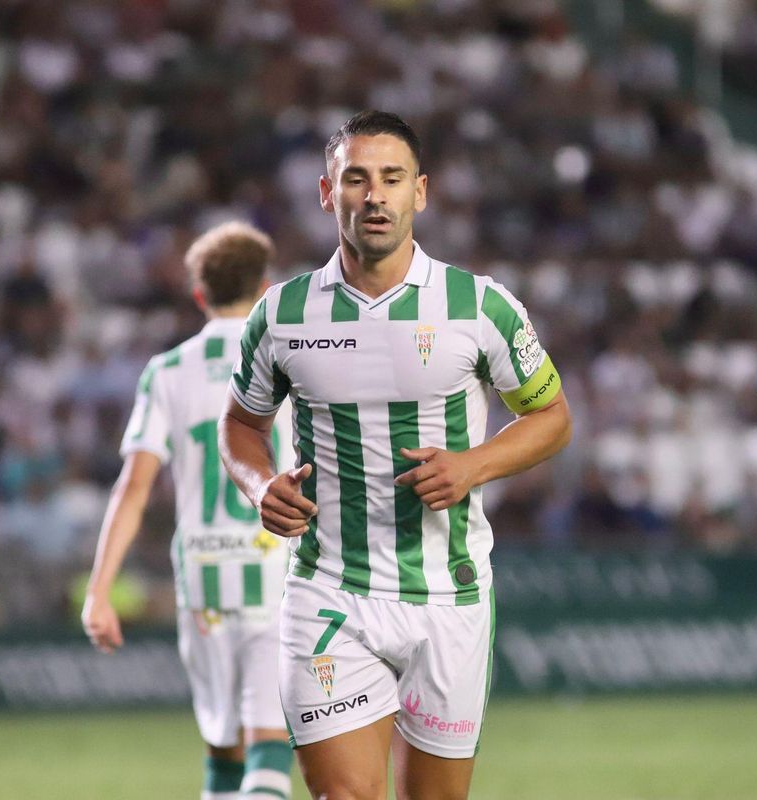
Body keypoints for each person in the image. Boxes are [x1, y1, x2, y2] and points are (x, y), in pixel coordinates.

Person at [219, 111, 573, 800]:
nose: (374, 195)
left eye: (392, 179)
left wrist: (476, 465)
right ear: (328, 193)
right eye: (357, 179)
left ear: (422, 193)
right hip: (330, 593)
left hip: (448, 597)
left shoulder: (479, 306)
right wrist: (259, 484)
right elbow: (239, 426)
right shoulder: (283, 314)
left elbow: (553, 417)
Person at [82, 222, 295, 800]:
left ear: (199, 295)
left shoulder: (167, 371)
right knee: (270, 738)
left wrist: (100, 589)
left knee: (223, 747)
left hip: (202, 576)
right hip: (280, 570)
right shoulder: (289, 361)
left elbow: (134, 487)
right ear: (266, 287)